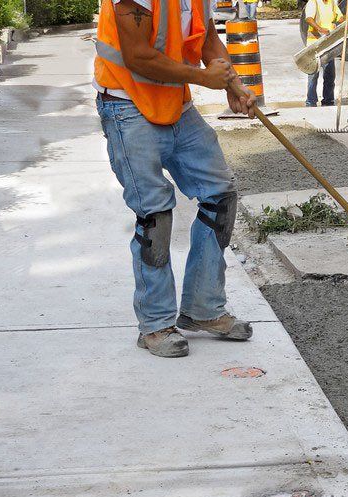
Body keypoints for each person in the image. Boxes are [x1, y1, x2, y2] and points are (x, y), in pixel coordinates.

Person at [93, 0, 256, 357]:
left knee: (220, 193)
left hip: (175, 103)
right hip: (127, 106)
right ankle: (155, 325)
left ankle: (203, 309)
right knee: (154, 213)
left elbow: (207, 36)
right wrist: (203, 79)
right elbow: (137, 56)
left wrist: (231, 83)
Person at [303, 0, 344, 107]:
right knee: (313, 75)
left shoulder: (331, 2)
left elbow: (339, 18)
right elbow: (308, 18)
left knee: (330, 75)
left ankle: (328, 101)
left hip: (328, 45)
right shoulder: (313, 2)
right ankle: (311, 102)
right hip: (314, 45)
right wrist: (320, 29)